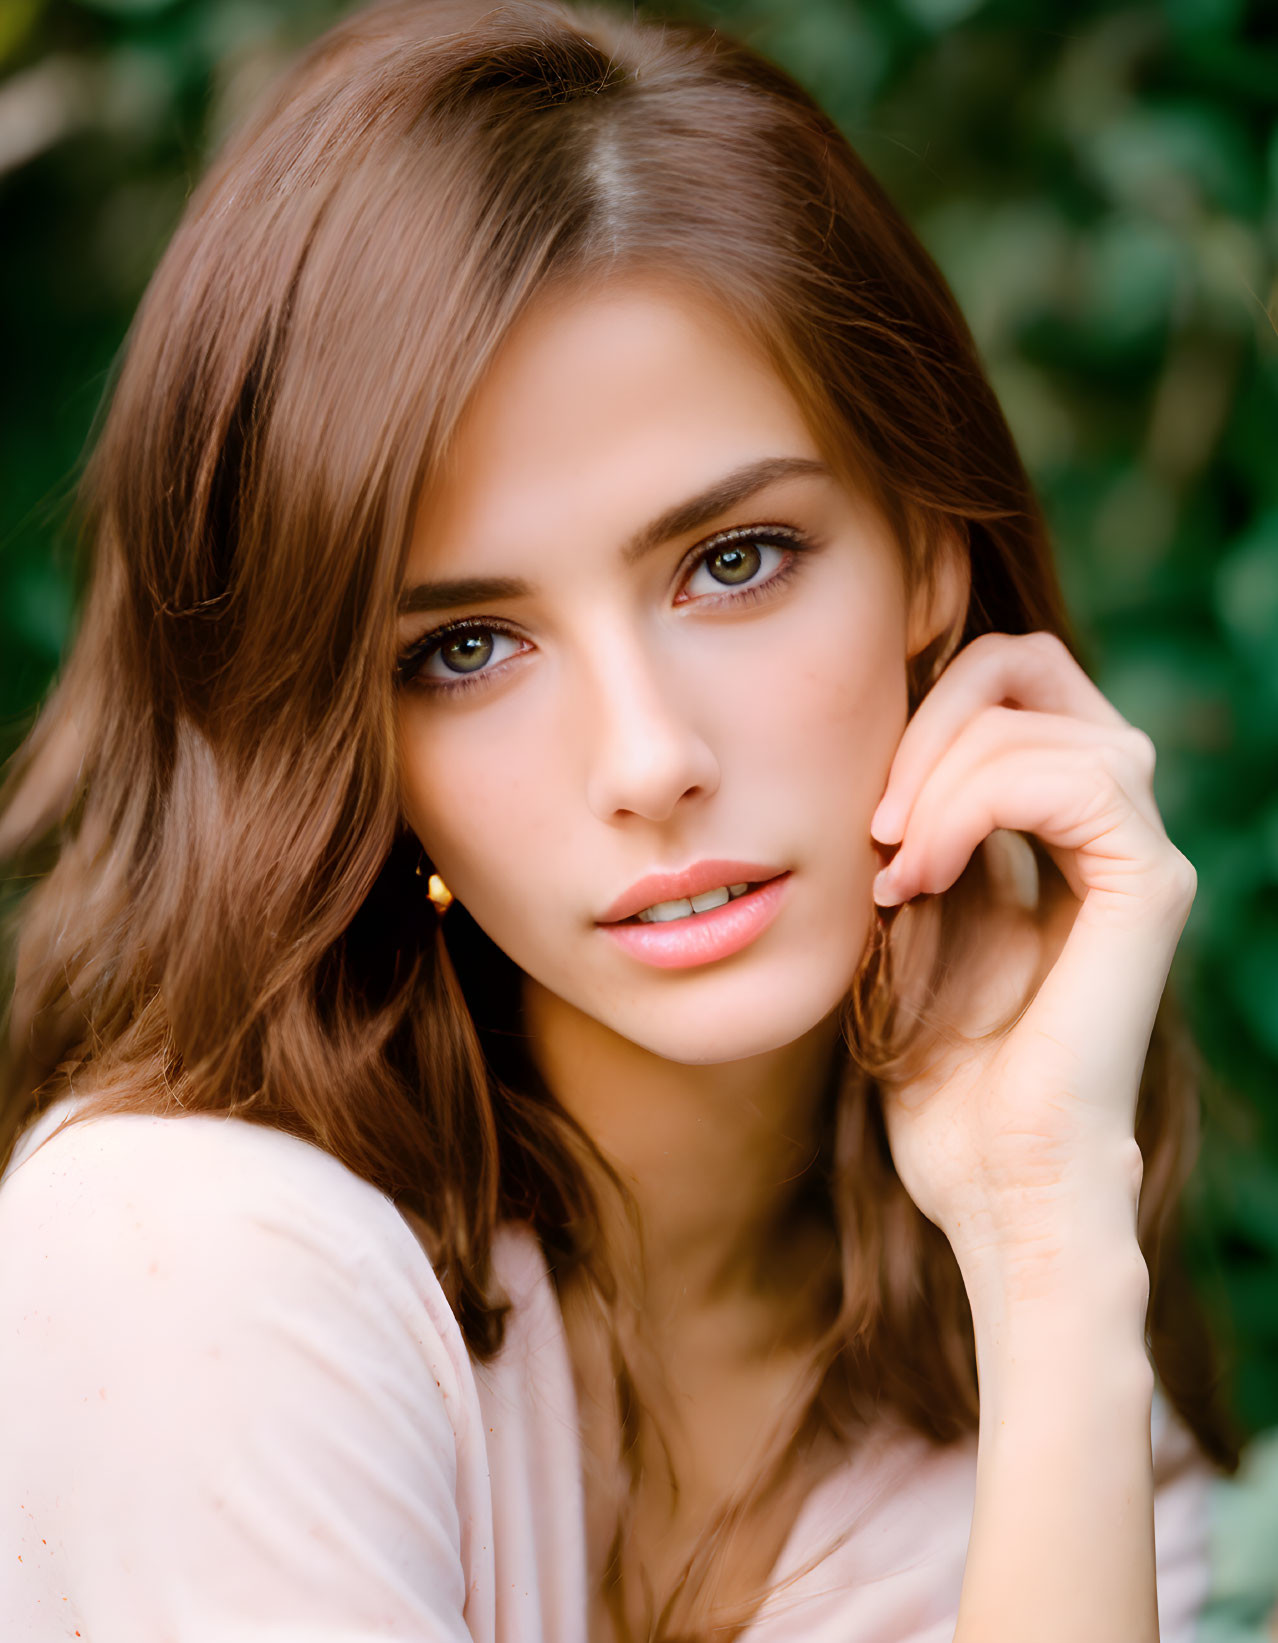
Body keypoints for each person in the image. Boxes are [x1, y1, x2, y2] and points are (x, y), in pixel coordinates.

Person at [0, 0, 1242, 1638]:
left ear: (931, 552)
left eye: (732, 561)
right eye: (465, 649)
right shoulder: (197, 1266)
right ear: (338, 733)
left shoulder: (1028, 1384)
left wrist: (1044, 1235)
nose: (647, 759)